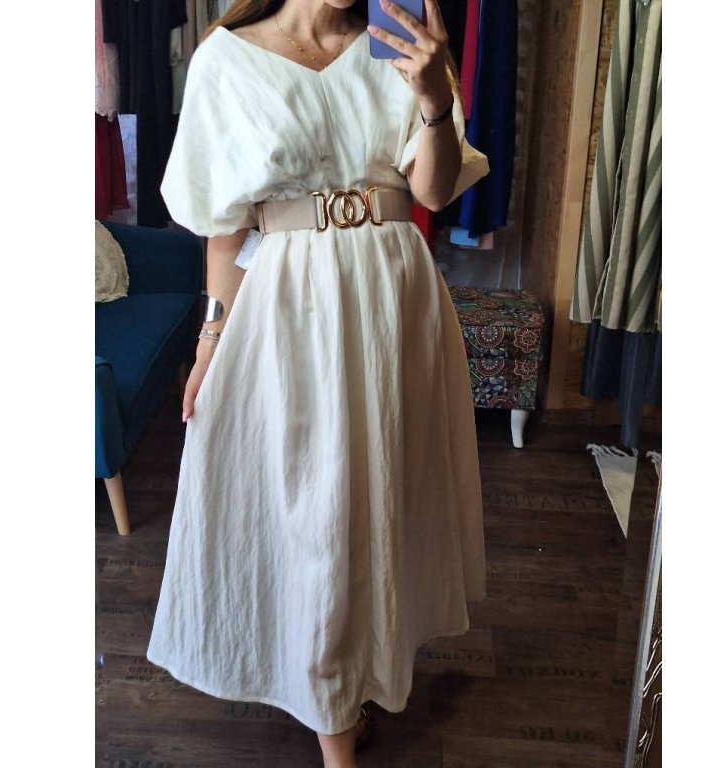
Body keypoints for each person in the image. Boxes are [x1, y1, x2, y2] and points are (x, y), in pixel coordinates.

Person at [145, 1, 489, 765]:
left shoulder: (401, 45)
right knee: (316, 515)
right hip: (291, 307)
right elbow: (224, 228)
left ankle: (347, 681)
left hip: (395, 303)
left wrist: (434, 99)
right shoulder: (225, 60)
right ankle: (335, 722)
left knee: (378, 503)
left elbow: (434, 193)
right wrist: (210, 338)